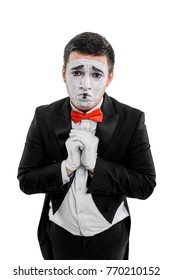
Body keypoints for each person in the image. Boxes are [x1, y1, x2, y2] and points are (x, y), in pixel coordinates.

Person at [17, 32, 156, 260]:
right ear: (64, 74)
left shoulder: (132, 119)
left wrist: (95, 166)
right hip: (60, 232)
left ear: (109, 78)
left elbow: (146, 185)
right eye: (77, 72)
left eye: (96, 74)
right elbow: (25, 180)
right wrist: (67, 167)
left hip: (109, 232)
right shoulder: (43, 116)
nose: (85, 84)